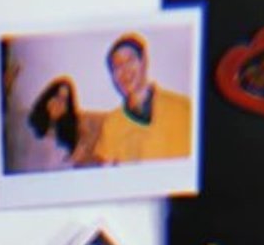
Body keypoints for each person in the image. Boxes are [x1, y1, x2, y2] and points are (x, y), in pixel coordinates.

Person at [95, 34, 193, 164]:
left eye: (129, 61)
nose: (125, 71)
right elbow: (105, 167)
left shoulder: (183, 108)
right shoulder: (112, 123)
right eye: (117, 67)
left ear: (144, 62)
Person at [24, 76, 102, 170]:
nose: (59, 103)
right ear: (48, 98)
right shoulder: (30, 125)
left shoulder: (68, 133)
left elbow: (68, 166)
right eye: (57, 96)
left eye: (64, 100)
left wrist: (76, 155)